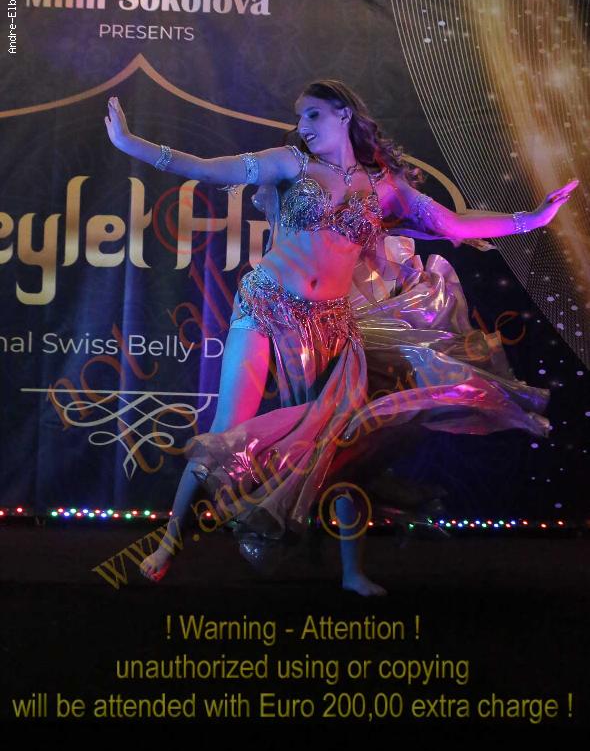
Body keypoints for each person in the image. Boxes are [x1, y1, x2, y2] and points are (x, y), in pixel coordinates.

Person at [104, 80, 578, 595]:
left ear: (344, 113)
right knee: (227, 429)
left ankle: (353, 572)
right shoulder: (291, 163)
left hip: (331, 324)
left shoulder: (384, 185)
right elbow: (205, 168)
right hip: (265, 306)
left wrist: (533, 218)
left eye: (312, 115)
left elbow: (454, 224)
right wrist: (132, 144)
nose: (302, 127)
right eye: (300, 118)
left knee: (338, 441)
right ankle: (169, 542)